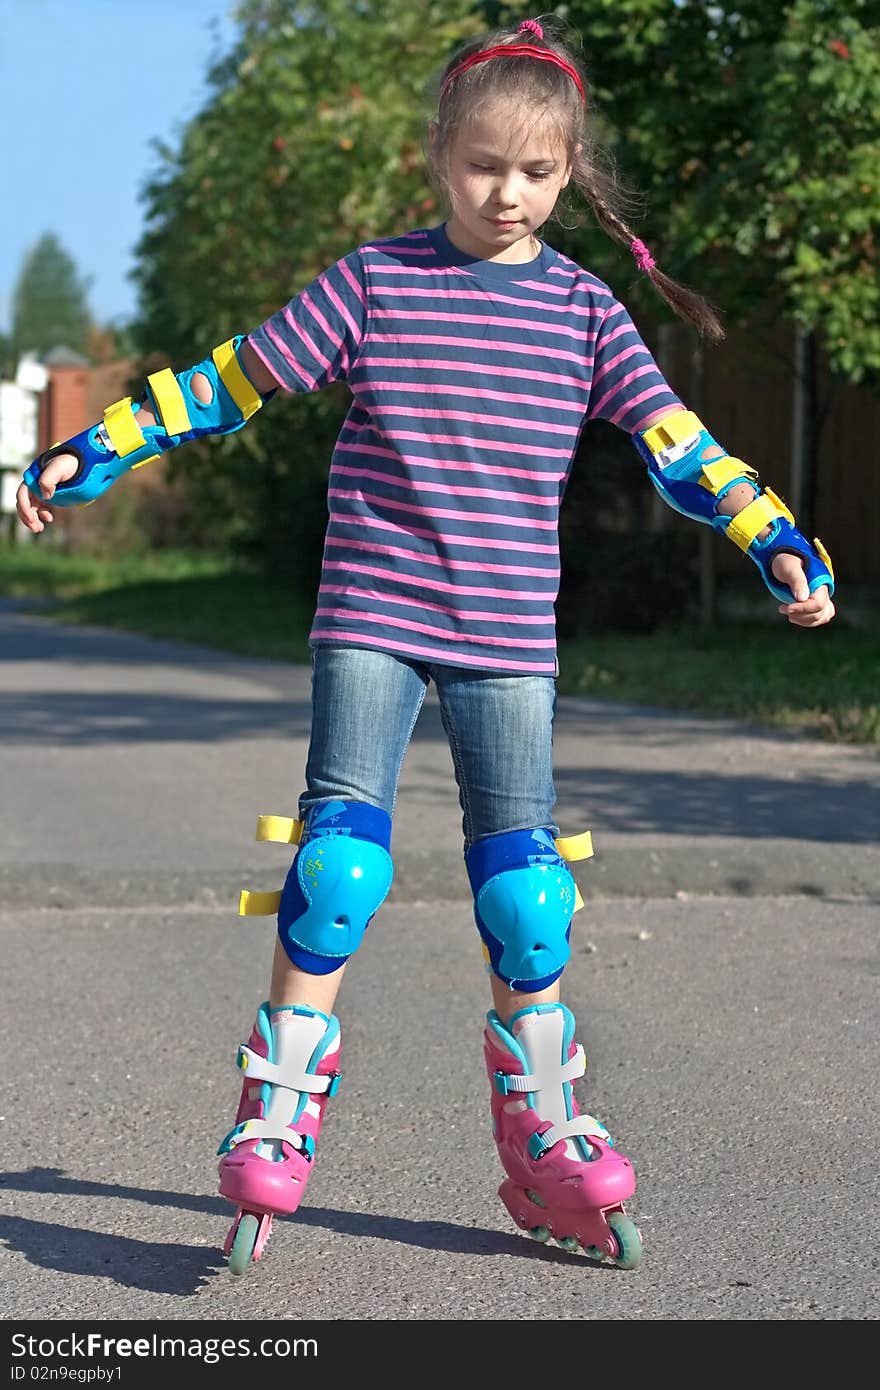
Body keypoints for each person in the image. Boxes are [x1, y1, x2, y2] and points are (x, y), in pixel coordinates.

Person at [17, 15, 835, 1276]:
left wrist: (771, 533)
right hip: (374, 616)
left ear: (568, 175)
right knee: (337, 870)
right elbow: (228, 380)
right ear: (438, 156)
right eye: (482, 166)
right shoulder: (374, 284)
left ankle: (546, 1140)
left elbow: (679, 442)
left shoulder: (582, 312)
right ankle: (274, 1118)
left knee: (527, 896)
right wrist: (92, 449)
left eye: (537, 173)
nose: (506, 195)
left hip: (507, 632)